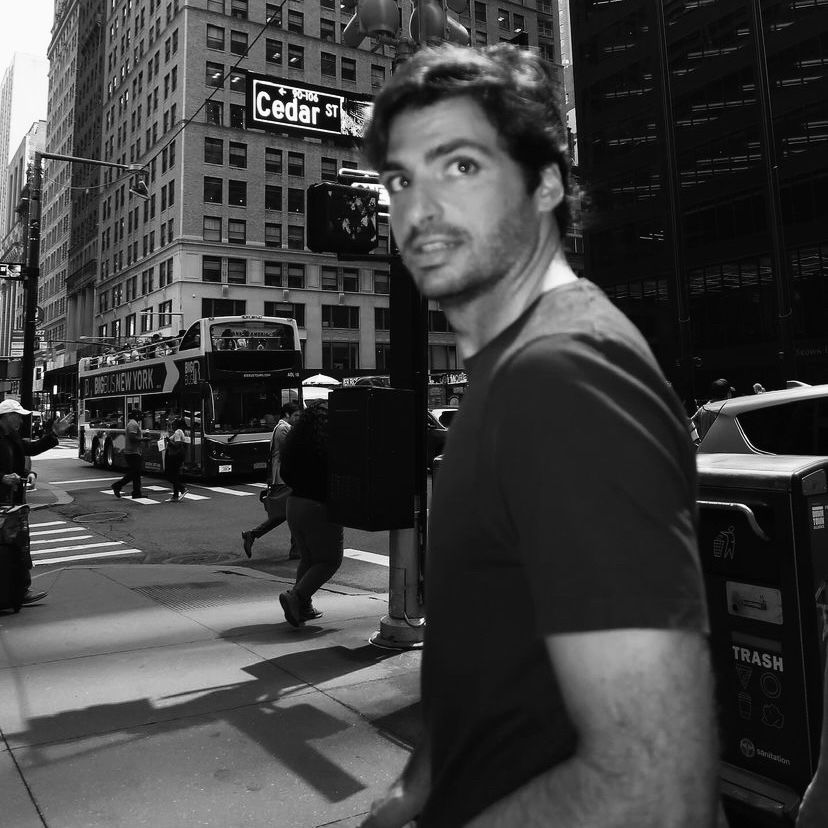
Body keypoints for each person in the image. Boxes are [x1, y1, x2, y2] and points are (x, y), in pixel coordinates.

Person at [360, 44, 720, 827]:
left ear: (547, 183)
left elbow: (656, 797)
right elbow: (492, 662)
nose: (419, 208)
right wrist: (423, 783)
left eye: (460, 167)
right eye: (400, 180)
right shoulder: (513, 370)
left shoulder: (564, 378)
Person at [0, 400, 74, 604]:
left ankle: (20, 590)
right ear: (6, 416)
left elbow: (30, 449)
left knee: (19, 545)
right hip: (2, 500)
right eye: (18, 416)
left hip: (13, 502)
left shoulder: (12, 437)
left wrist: (29, 473)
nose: (21, 420)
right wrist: (2, 478)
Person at [277, 403, 343, 626]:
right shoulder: (326, 446)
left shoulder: (295, 444)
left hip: (294, 504)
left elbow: (285, 473)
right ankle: (296, 597)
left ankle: (303, 606)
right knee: (329, 560)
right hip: (318, 506)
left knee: (309, 558)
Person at [241, 401, 301, 559]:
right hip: (283, 477)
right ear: (287, 414)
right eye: (295, 415)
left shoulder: (285, 428)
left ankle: (253, 535)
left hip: (284, 476)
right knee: (292, 513)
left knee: (288, 513)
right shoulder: (283, 429)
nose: (298, 418)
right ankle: (295, 549)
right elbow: (292, 450)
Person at [111, 408, 148, 499]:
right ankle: (117, 485)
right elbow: (132, 438)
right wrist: (144, 439)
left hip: (134, 452)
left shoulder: (133, 423)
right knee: (134, 473)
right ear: (136, 415)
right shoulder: (133, 424)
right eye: (140, 414)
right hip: (132, 453)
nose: (141, 416)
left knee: (136, 473)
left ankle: (136, 493)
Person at [691, 377, 733, 443]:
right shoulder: (727, 410)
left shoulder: (703, 409)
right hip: (723, 447)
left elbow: (690, 425)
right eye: (730, 392)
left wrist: (697, 441)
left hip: (705, 448)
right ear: (728, 394)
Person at [164, 418, 189, 502]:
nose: (172, 426)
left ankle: (182, 488)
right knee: (175, 475)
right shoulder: (180, 432)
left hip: (174, 457)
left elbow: (177, 445)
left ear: (177, 425)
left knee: (170, 476)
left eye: (173, 424)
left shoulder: (177, 432)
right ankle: (175, 495)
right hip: (176, 456)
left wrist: (168, 440)